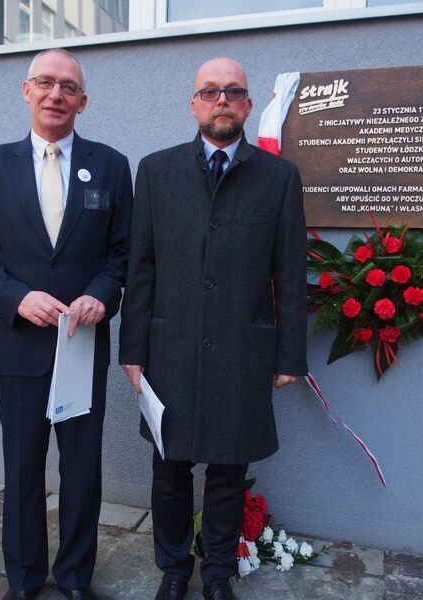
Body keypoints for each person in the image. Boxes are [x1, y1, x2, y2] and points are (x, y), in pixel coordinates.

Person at [119, 57, 308, 600]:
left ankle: (219, 573)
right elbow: (142, 267)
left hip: (240, 349)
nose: (221, 100)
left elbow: (289, 273)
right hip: (169, 347)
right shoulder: (156, 171)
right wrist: (132, 349)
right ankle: (174, 569)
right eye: (210, 92)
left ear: (247, 105)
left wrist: (289, 356)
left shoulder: (279, 177)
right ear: (194, 104)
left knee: (228, 472)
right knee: (170, 472)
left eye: (233, 92)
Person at [0, 48, 132, 600]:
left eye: (68, 86)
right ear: (26, 91)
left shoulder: (110, 165)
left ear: (83, 100)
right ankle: (25, 579)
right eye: (45, 83)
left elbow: (123, 252)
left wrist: (103, 296)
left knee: (82, 472)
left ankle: (76, 577)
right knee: (23, 472)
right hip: (19, 347)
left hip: (82, 345)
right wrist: (16, 296)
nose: (56, 94)